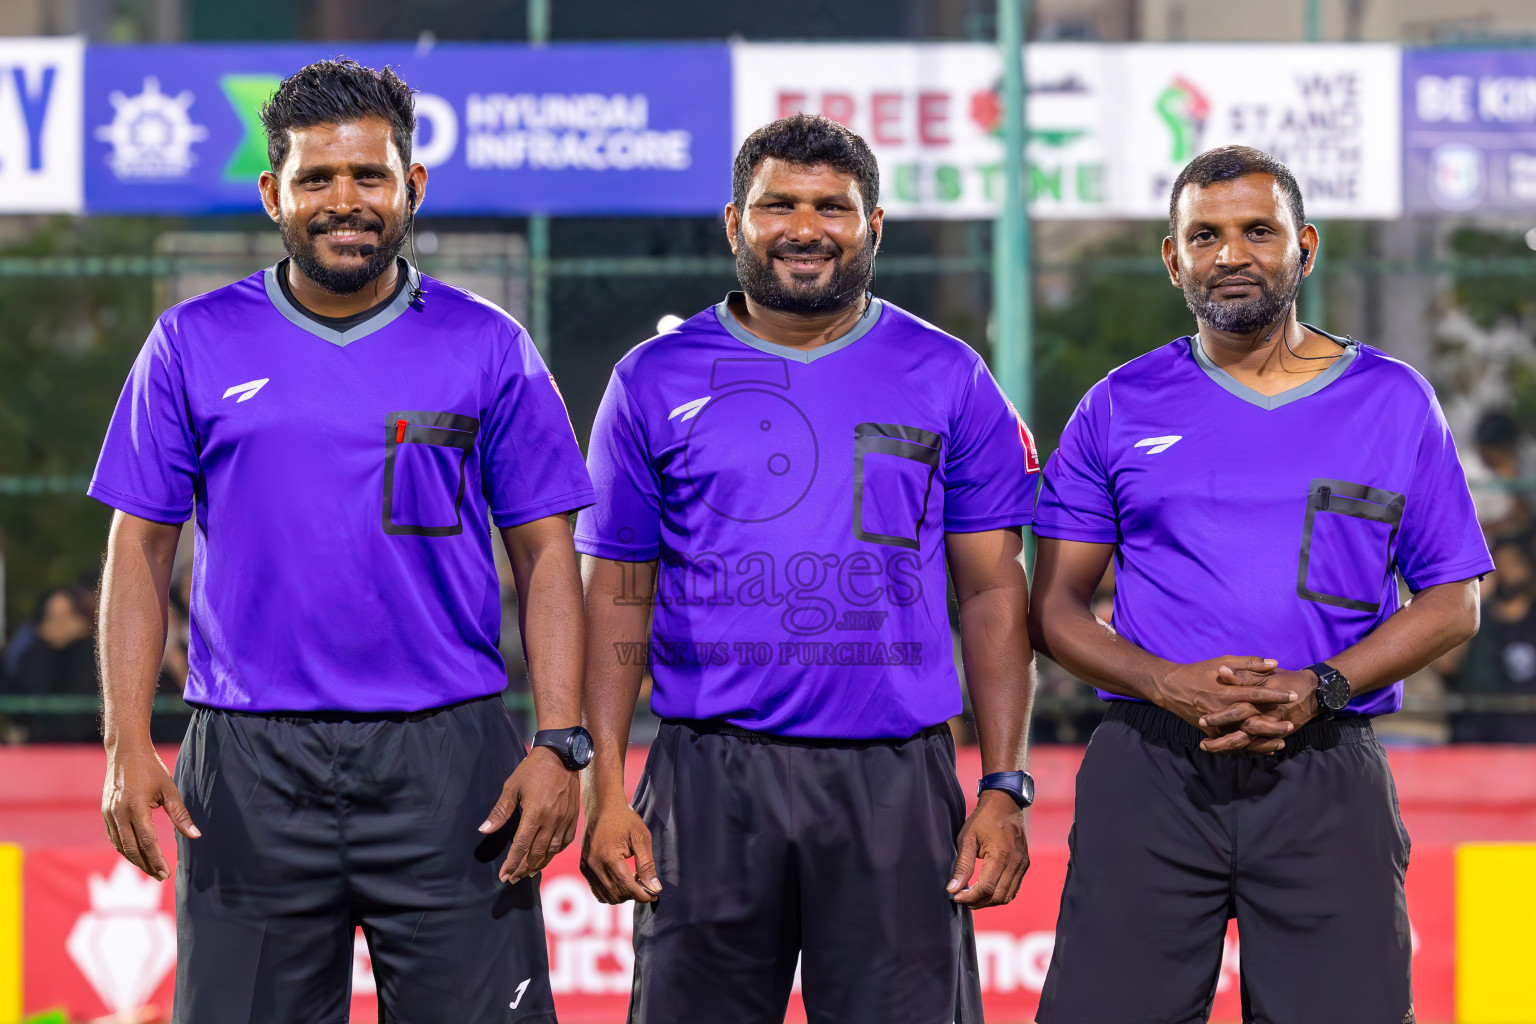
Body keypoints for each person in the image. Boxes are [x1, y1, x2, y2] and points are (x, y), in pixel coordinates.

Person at [90, 59, 594, 1023]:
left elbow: (547, 555)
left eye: (370, 175)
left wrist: (560, 740)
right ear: (276, 192)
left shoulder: (488, 346)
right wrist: (127, 741)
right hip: (247, 764)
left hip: (451, 765)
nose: (345, 201)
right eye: (318, 179)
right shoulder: (191, 342)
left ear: (413, 187)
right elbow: (139, 549)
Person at [576, 114, 1038, 1024]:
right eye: (776, 203)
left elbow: (992, 592)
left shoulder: (949, 375)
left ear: (873, 226)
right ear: (732, 222)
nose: (804, 226)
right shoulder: (651, 379)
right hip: (709, 777)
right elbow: (619, 596)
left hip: (895, 782)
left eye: (833, 206)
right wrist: (604, 791)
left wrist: (1004, 784)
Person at [1028, 145, 1490, 1023]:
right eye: (1204, 234)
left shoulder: (1394, 401)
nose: (1230, 253)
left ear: (1304, 248)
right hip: (1152, 765)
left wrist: (1319, 689)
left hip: (1326, 768)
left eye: (1257, 231)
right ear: (1174, 258)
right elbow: (1052, 609)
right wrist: (1166, 682)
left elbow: (1453, 598)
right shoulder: (1117, 404)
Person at [1444, 534, 1536, 742]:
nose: (1505, 572)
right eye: (1498, 564)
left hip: (1528, 742)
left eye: (1512, 563)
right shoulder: (1475, 620)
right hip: (1475, 738)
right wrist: (1474, 601)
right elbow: (1447, 665)